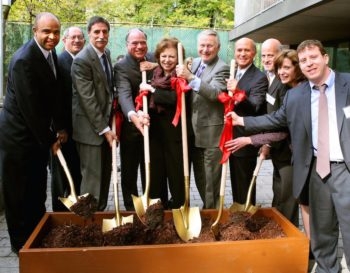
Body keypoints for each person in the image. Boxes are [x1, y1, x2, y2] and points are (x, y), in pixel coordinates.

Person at [227, 39, 350, 273]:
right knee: (322, 231)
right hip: (317, 170)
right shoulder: (297, 95)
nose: (309, 63)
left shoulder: (348, 84)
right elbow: (276, 120)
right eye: (303, 60)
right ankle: (326, 269)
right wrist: (242, 120)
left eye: (313, 57)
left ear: (325, 58)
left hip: (345, 168)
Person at [0, 12, 66, 254]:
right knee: (18, 193)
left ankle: (36, 236)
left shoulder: (50, 54)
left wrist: (58, 128)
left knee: (37, 187)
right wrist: (51, 140)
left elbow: (52, 96)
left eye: (56, 32)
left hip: (36, 135)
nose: (52, 36)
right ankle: (20, 246)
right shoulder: (23, 60)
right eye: (46, 31)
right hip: (18, 137)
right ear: (35, 32)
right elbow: (31, 109)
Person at [227, 39, 299, 227]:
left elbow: (280, 123)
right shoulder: (272, 79)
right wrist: (266, 145)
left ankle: (291, 240)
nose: (267, 59)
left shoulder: (286, 86)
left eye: (272, 55)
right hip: (277, 150)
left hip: (290, 152)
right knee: (279, 196)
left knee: (287, 200)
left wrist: (252, 139)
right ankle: (280, 234)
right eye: (265, 55)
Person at [176, 29, 230, 209]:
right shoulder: (194, 62)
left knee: (211, 183)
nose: (205, 49)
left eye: (210, 46)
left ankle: (214, 217)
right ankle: (208, 212)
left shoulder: (222, 67)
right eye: (202, 45)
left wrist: (190, 77)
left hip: (211, 136)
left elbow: (215, 93)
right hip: (192, 134)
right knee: (200, 179)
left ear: (218, 48)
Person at [71, 16, 118, 211]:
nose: (101, 36)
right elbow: (87, 100)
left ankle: (98, 217)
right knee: (92, 181)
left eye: (104, 32)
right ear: (89, 34)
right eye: (96, 32)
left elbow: (107, 90)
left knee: (104, 176)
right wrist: (105, 129)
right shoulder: (82, 60)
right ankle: (86, 224)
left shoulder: (105, 53)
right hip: (91, 130)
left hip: (104, 125)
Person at [139, 37, 186, 209]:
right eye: (164, 56)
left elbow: (176, 98)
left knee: (176, 174)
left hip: (175, 134)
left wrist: (151, 90)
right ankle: (159, 208)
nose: (167, 60)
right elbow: (145, 101)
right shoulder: (155, 73)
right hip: (155, 132)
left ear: (178, 58)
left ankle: (179, 207)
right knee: (157, 173)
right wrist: (140, 109)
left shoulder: (182, 75)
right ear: (158, 57)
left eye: (172, 57)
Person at [114, 28, 156, 210]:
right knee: (129, 172)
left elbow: (173, 62)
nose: (139, 46)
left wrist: (154, 66)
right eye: (134, 43)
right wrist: (132, 114)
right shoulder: (121, 66)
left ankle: (152, 205)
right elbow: (123, 94)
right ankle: (131, 208)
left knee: (150, 169)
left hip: (154, 127)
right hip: (132, 129)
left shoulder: (155, 58)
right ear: (127, 45)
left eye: (142, 42)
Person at [228, 37, 268, 206]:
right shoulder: (233, 71)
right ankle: (238, 216)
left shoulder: (259, 77)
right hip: (230, 137)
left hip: (244, 139)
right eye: (239, 50)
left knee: (245, 184)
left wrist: (237, 91)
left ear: (254, 53)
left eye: (247, 50)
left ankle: (246, 219)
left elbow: (255, 107)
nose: (242, 54)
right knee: (236, 183)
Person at [50, 26, 85, 211]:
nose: (77, 41)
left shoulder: (80, 61)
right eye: (73, 37)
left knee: (75, 171)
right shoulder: (60, 61)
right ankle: (60, 212)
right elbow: (55, 99)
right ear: (64, 40)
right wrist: (60, 127)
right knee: (61, 175)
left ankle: (75, 209)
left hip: (77, 128)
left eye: (80, 38)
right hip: (63, 130)